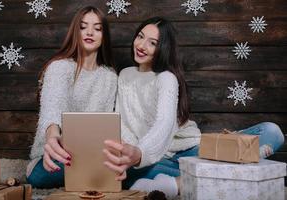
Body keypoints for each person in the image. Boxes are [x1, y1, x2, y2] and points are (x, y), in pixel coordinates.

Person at [103, 16, 285, 199]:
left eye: (152, 43)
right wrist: (135, 154)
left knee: (272, 132)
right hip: (154, 160)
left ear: (162, 48)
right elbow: (122, 122)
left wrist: (140, 152)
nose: (141, 45)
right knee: (124, 174)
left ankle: (178, 183)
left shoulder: (166, 78)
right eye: (140, 37)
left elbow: (164, 124)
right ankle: (232, 168)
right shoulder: (125, 75)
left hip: (191, 151)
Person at [26, 6, 117, 188]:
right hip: (56, 155)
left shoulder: (110, 76)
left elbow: (107, 124)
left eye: (97, 28)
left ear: (104, 35)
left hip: (93, 155)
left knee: (124, 166)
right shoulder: (60, 67)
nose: (90, 32)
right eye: (83, 27)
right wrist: (53, 136)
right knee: (40, 177)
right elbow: (52, 108)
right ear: (75, 32)